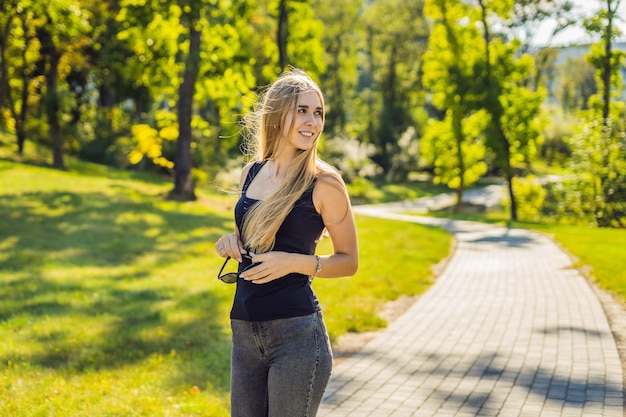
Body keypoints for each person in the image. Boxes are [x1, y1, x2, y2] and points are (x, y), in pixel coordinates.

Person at [214, 67, 359, 417]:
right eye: (303, 111)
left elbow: (349, 260)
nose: (313, 121)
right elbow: (249, 237)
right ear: (279, 114)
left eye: (318, 112)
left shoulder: (323, 183)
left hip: (296, 337)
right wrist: (229, 241)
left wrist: (293, 262)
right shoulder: (251, 173)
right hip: (244, 333)